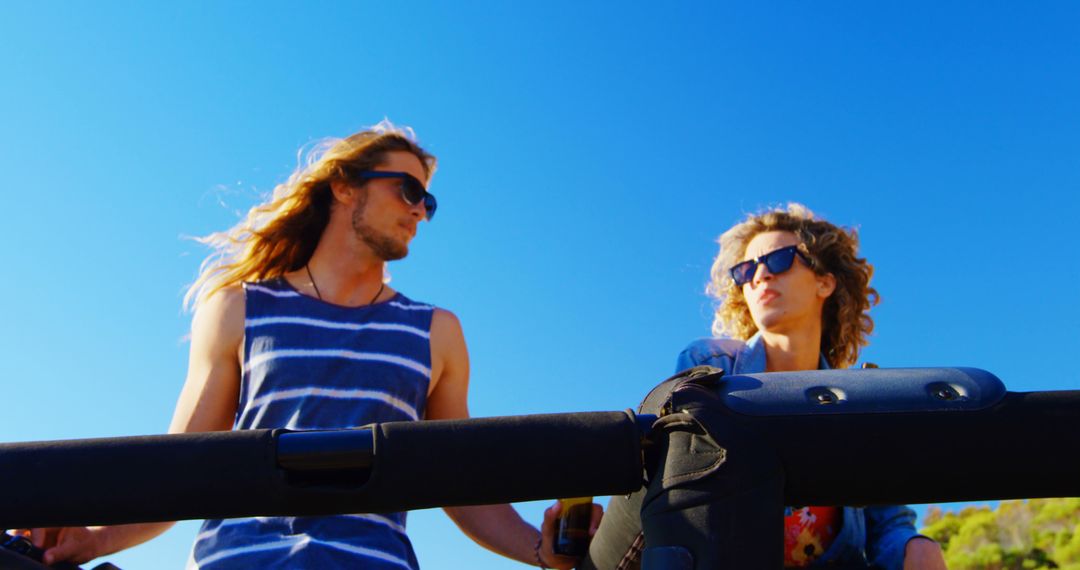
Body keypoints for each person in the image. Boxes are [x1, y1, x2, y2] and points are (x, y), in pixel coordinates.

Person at [28, 121, 594, 569]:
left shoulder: (436, 331)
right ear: (345, 185)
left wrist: (543, 552)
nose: (421, 209)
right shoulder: (237, 308)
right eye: (409, 190)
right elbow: (180, 467)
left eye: (429, 202)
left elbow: (457, 481)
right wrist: (94, 538)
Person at [582, 204, 946, 569]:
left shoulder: (859, 402)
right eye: (746, 270)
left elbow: (888, 523)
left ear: (826, 281)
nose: (759, 276)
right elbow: (676, 495)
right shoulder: (710, 368)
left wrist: (914, 547)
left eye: (778, 260)